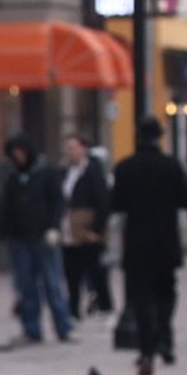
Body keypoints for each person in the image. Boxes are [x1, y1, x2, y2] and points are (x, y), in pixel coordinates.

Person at [110, 115, 187, 375]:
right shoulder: (172, 166)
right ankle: (165, 337)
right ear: (159, 137)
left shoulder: (125, 168)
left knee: (142, 297)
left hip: (137, 240)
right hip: (166, 238)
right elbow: (185, 200)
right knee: (166, 291)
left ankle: (147, 348)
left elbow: (116, 204)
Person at [0, 134, 77, 346]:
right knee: (26, 286)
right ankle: (31, 329)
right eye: (15, 154)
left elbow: (57, 202)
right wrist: (4, 232)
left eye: (21, 153)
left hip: (43, 237)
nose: (18, 157)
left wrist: (53, 228)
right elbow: (6, 207)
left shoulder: (46, 173)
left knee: (53, 284)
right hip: (20, 238)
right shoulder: (13, 177)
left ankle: (63, 327)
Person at [58, 133, 110, 319]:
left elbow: (103, 201)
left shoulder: (93, 172)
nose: (70, 151)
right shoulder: (65, 172)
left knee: (95, 269)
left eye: (73, 147)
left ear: (83, 149)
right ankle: (73, 308)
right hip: (68, 227)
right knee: (71, 272)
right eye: (68, 147)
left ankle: (104, 305)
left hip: (87, 227)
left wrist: (96, 229)